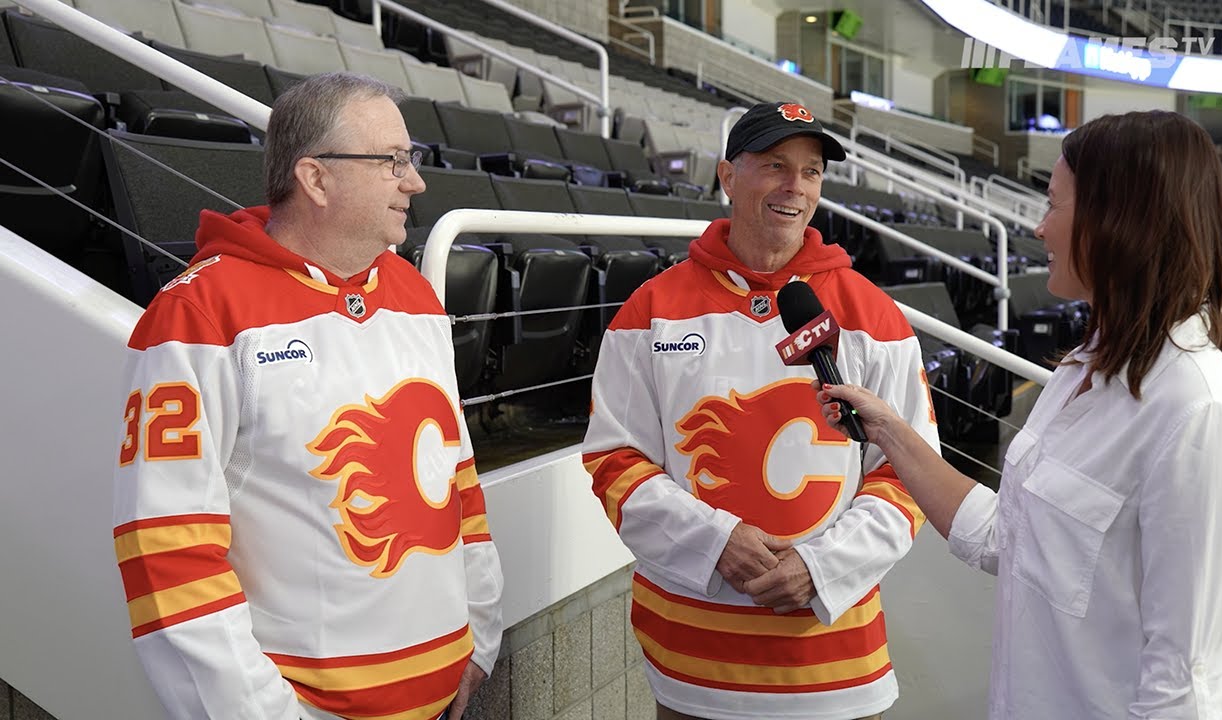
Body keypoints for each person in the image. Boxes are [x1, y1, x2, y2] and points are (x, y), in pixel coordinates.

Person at [816, 110, 1222, 719]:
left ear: (1118, 220)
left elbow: (1184, 687)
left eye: (1054, 204)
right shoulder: (1081, 371)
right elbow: (1006, 537)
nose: (1038, 226)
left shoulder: (1199, 414)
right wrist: (887, 429)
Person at [112, 72, 502, 720]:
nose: (415, 182)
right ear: (316, 179)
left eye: (411, 159)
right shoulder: (198, 314)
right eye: (392, 161)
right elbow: (167, 551)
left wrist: (479, 638)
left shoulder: (415, 295)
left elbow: (456, 481)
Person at [582, 101, 940, 720]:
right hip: (691, 664)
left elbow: (909, 473)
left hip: (835, 666)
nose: (795, 186)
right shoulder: (651, 309)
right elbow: (615, 461)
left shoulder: (874, 315)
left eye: (811, 171)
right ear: (727, 176)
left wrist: (820, 567)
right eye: (775, 165)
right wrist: (715, 541)